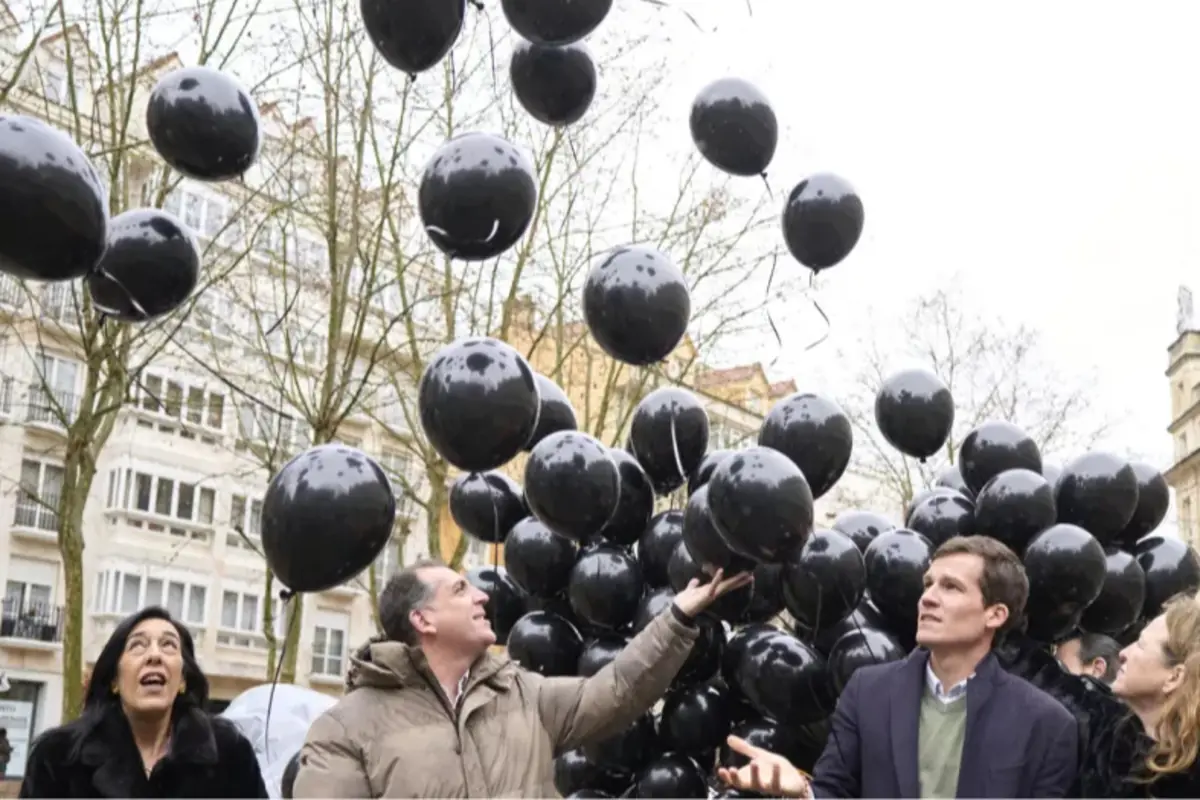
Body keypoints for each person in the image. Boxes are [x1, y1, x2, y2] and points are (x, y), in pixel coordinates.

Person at [294, 558, 751, 797]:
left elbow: (615, 691)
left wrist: (676, 616)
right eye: (459, 589)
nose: (481, 597)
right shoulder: (344, 732)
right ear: (423, 619)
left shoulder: (521, 694)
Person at [718, 535, 1079, 798]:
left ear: (995, 614)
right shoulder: (868, 691)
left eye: (950, 587)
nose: (928, 598)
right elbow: (834, 792)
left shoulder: (1047, 724)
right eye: (928, 584)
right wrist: (801, 793)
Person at [19, 606, 268, 798]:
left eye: (169, 645)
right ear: (114, 680)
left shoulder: (231, 754)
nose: (155, 655)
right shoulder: (57, 758)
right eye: (138, 645)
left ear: (182, 680)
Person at [999, 590, 1200, 798]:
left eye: (1141, 645)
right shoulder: (1104, 728)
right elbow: (1044, 676)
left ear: (1174, 677)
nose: (1123, 653)